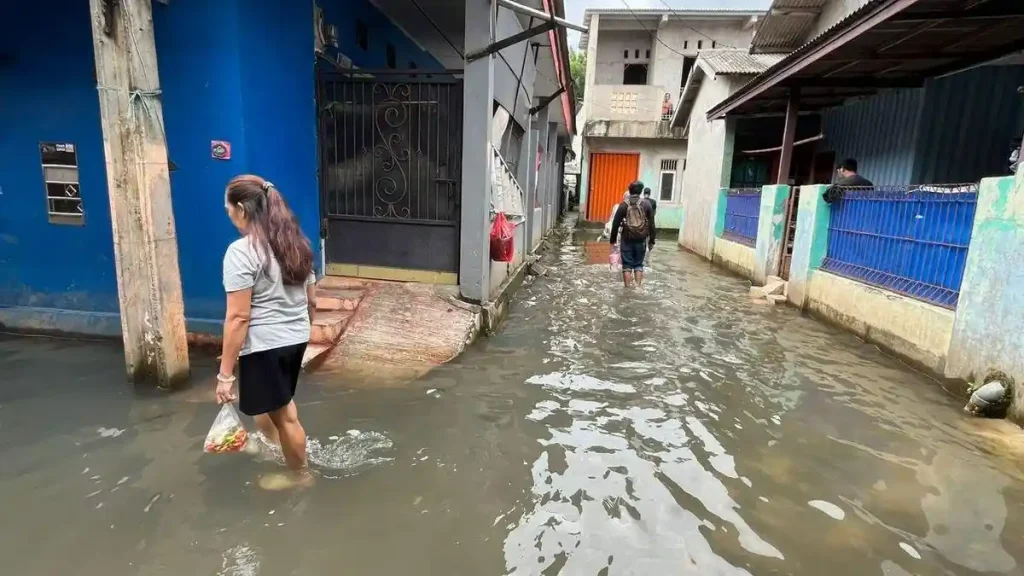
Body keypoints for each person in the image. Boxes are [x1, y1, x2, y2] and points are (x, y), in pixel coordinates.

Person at [216, 174, 317, 489]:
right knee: (279, 405)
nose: (227, 213)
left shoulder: (242, 252)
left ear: (242, 209)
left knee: (285, 416)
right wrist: (299, 332)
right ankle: (280, 448)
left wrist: (224, 374)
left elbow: (238, 317)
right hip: (295, 336)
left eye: (228, 207)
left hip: (265, 344)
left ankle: (301, 477)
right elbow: (312, 301)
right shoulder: (296, 243)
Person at [609, 181, 656, 288]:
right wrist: (652, 240)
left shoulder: (623, 205)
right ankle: (638, 287)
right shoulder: (647, 204)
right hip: (641, 238)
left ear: (629, 191)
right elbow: (652, 224)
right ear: (640, 191)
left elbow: (615, 224)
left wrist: (612, 240)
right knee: (639, 264)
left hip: (626, 238)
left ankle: (627, 288)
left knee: (627, 265)